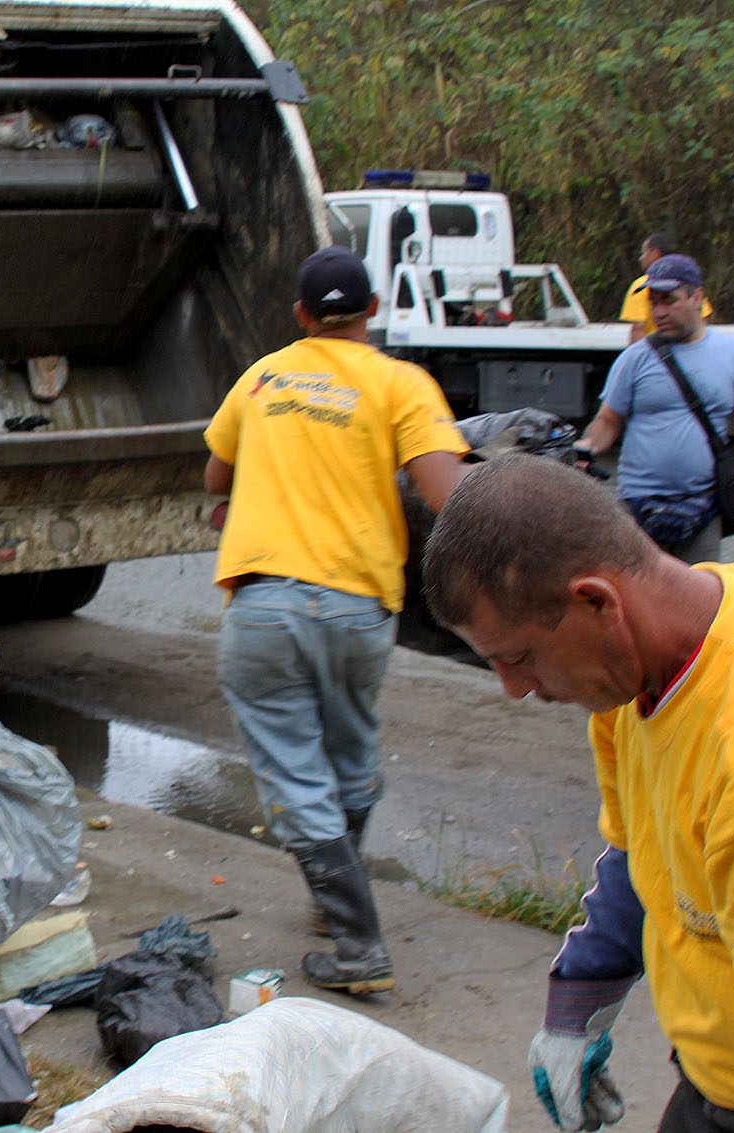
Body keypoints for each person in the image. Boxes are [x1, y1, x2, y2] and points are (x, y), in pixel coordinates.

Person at [422, 452, 734, 1133]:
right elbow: (638, 855)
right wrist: (576, 1008)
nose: (514, 689)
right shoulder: (634, 681)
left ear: (597, 600)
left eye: (520, 656)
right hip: (716, 1079)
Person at [203, 245, 468, 995]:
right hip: (358, 606)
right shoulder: (401, 383)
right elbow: (451, 496)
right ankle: (334, 903)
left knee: (294, 770)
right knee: (350, 754)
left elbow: (215, 473)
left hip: (265, 606)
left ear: (300, 315)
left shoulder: (262, 376)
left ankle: (357, 943)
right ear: (373, 311)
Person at [577, 253, 734, 565]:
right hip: (636, 509)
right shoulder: (635, 358)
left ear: (697, 297)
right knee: (633, 607)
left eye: (669, 301)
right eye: (653, 303)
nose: (659, 312)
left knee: (699, 605)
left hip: (703, 509)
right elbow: (608, 420)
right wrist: (587, 447)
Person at [622, 234, 712, 345]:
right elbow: (703, 320)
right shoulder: (688, 282)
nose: (641, 258)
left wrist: (638, 358)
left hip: (656, 351)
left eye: (644, 253)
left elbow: (639, 327)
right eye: (654, 303)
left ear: (655, 253)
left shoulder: (641, 285)